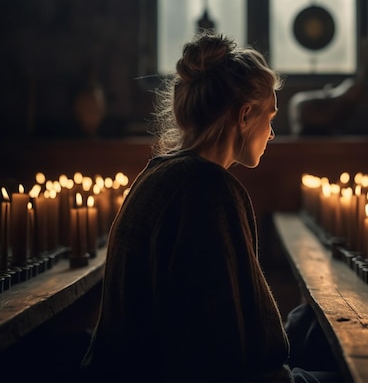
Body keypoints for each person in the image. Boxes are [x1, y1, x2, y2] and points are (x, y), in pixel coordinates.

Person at [81, 31, 341, 383]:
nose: (273, 133)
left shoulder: (160, 171)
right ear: (246, 115)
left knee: (311, 323)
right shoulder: (207, 189)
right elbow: (226, 349)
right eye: (271, 117)